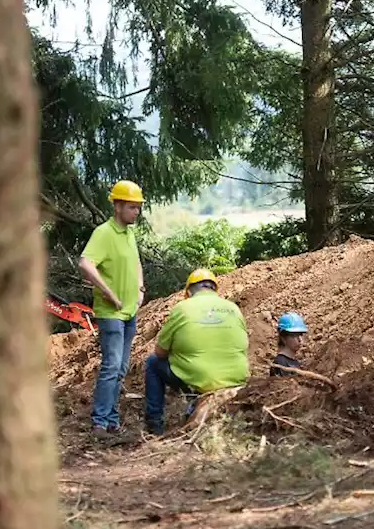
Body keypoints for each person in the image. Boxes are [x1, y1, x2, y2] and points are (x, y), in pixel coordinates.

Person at [144, 269, 249, 435]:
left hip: (202, 380)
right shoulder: (233, 308)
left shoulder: (182, 308)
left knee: (152, 363)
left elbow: (160, 353)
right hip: (237, 378)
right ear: (214, 289)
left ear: (190, 291)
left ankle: (154, 425)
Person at [78, 180, 146, 438]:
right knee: (111, 366)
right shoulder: (104, 233)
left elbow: (136, 261)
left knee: (121, 368)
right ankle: (99, 423)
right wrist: (107, 292)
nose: (136, 212)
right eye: (132, 207)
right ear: (117, 206)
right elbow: (85, 263)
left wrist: (140, 288)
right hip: (111, 314)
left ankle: (111, 420)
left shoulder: (129, 234)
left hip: (129, 313)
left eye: (138, 207)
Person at [270, 312, 308, 376]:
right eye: (294, 335)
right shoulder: (280, 363)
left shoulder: (295, 363)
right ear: (283, 338)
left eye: (300, 334)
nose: (300, 340)